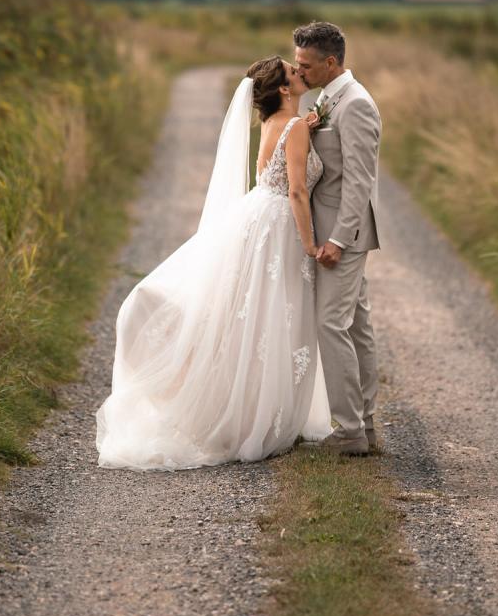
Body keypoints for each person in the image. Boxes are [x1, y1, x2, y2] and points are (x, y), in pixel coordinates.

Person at [95, 56, 334, 470]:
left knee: (251, 319)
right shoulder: (293, 127)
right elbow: (296, 192)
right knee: (271, 318)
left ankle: (244, 409)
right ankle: (254, 416)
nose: (300, 74)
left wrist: (304, 130)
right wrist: (311, 245)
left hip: (257, 220)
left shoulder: (276, 126)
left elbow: (271, 173)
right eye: (293, 72)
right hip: (279, 228)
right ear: (282, 88)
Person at [294, 21, 384, 456]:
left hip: (341, 236)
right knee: (357, 325)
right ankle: (363, 426)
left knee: (332, 324)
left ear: (332, 62)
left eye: (306, 65)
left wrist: (339, 240)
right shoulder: (328, 98)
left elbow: (359, 183)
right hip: (332, 230)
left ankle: (348, 430)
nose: (300, 71)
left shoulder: (357, 106)